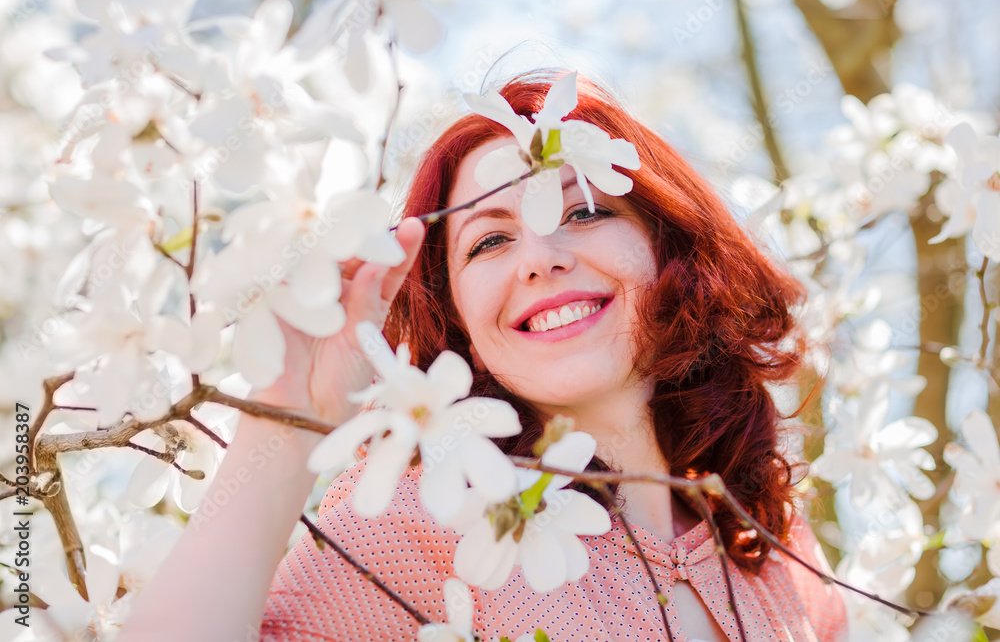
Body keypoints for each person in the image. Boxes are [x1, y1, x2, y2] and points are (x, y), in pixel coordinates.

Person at [117, 71, 848, 642]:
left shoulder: (771, 543)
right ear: (461, 323)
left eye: (584, 211)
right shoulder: (428, 519)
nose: (541, 256)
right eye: (490, 240)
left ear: (670, 251)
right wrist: (282, 428)